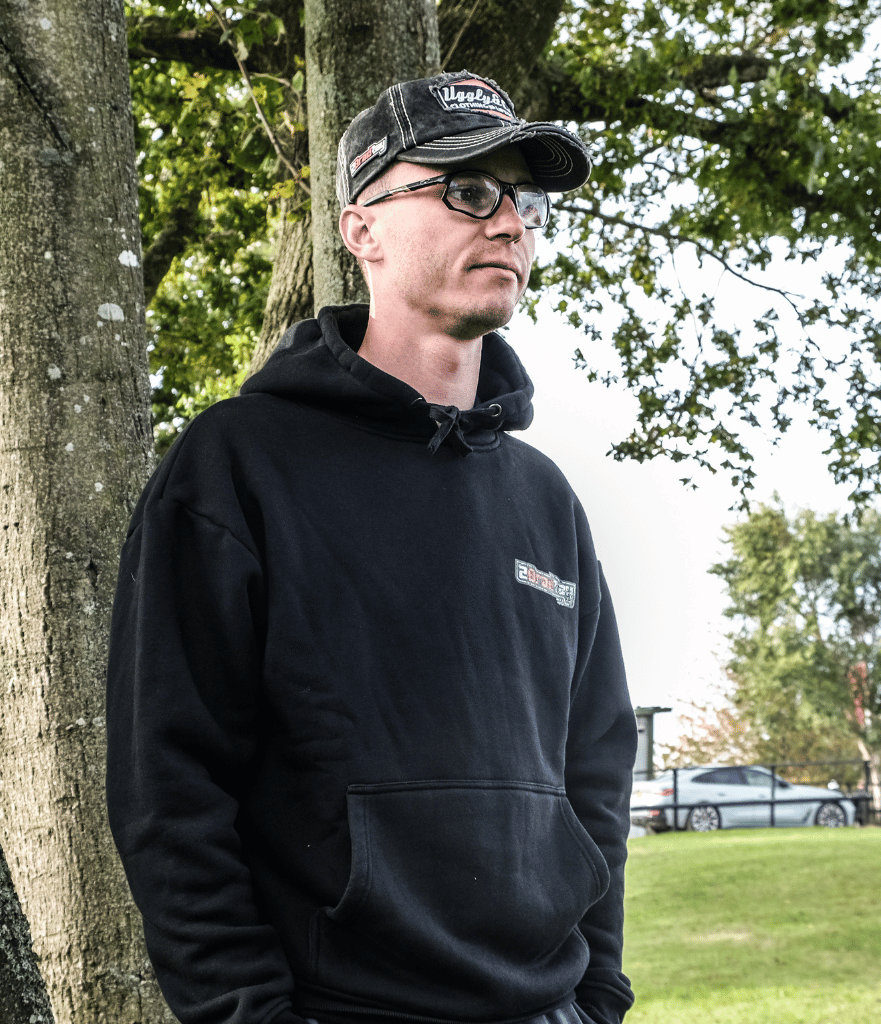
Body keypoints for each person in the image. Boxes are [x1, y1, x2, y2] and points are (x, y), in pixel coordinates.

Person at [106, 70, 637, 1024]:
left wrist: (596, 994)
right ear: (363, 231)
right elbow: (169, 786)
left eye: (523, 199)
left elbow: (594, 770)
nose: (508, 223)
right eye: (468, 190)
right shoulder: (239, 464)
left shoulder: (544, 500)